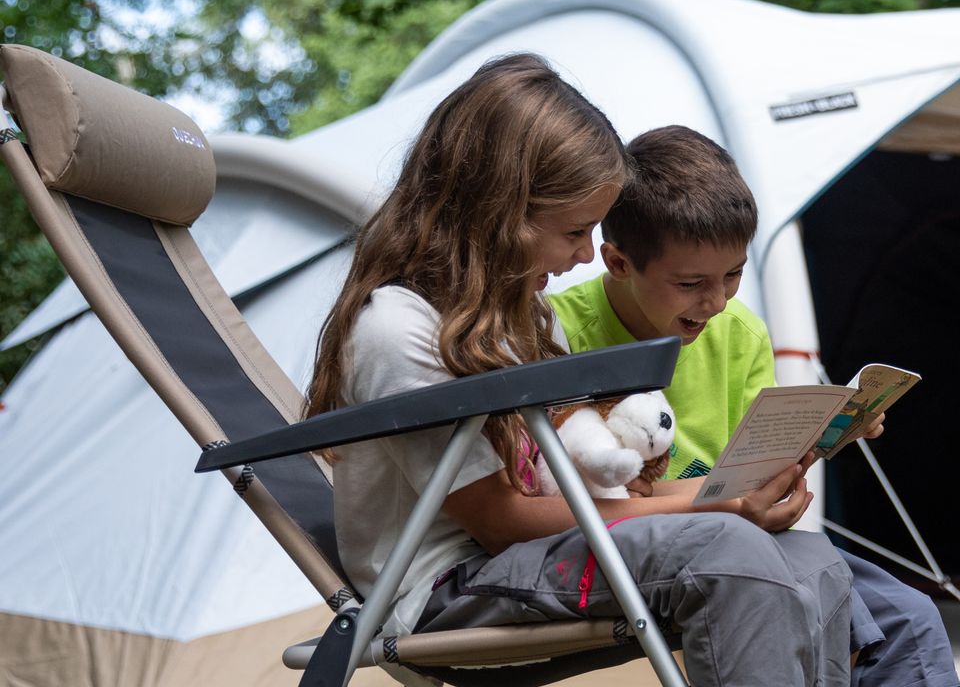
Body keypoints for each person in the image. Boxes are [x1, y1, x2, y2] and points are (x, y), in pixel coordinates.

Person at [305, 55, 856, 686]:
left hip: (547, 550)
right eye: (575, 230)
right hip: (453, 583)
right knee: (731, 553)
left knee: (809, 555)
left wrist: (739, 493)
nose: (588, 255)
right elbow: (504, 522)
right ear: (498, 214)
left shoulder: (527, 314)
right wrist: (719, 512)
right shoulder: (400, 329)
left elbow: (613, 497)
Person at [549, 124, 960, 687]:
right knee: (832, 614)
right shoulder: (560, 333)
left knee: (910, 616)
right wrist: (734, 504)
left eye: (735, 274)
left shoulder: (739, 331)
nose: (716, 301)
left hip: (738, 526)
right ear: (618, 263)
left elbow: (746, 466)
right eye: (692, 282)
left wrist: (821, 438)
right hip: (648, 544)